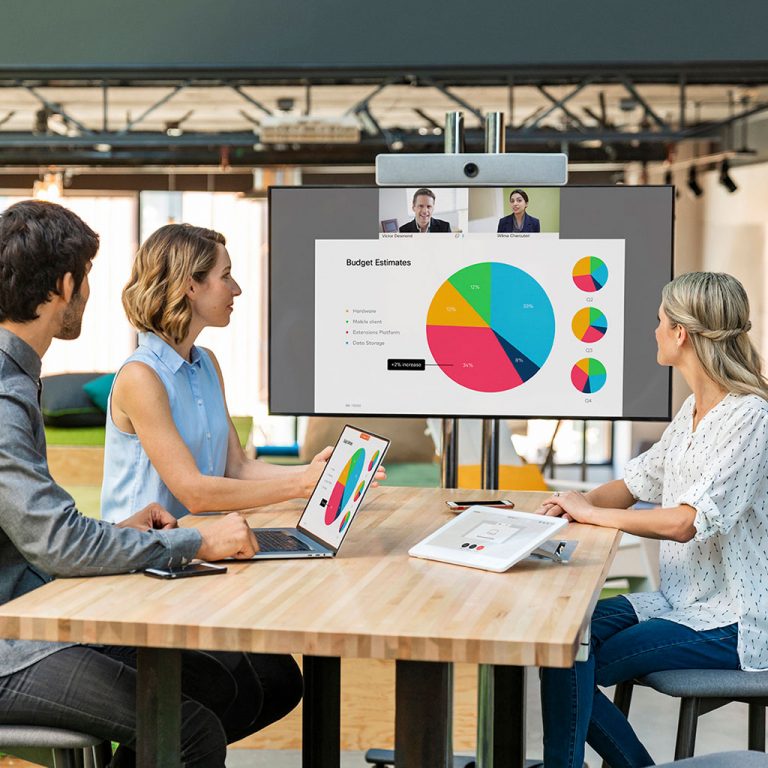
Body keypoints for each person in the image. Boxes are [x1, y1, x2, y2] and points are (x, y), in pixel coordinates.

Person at [0, 200, 302, 768]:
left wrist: (117, 530)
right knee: (189, 731)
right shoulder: (5, 395)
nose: (93, 293)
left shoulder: (16, 378)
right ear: (66, 284)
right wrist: (192, 540)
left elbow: (39, 529)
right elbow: (57, 542)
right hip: (12, 642)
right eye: (86, 278)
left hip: (33, 603)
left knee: (224, 682)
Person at [537, 271, 768, 768]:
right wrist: (571, 502)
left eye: (659, 321)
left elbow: (687, 521)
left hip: (732, 620)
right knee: (559, 636)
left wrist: (593, 515)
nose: (654, 330)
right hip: (677, 600)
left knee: (575, 656)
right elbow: (636, 484)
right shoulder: (692, 411)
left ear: (680, 333)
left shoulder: (751, 417)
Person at [102, 223, 384, 523]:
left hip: (194, 542)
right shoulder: (141, 377)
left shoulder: (206, 363)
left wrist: (318, 473)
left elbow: (236, 468)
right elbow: (195, 493)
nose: (236, 288)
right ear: (191, 286)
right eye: (225, 276)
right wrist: (301, 485)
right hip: (138, 555)